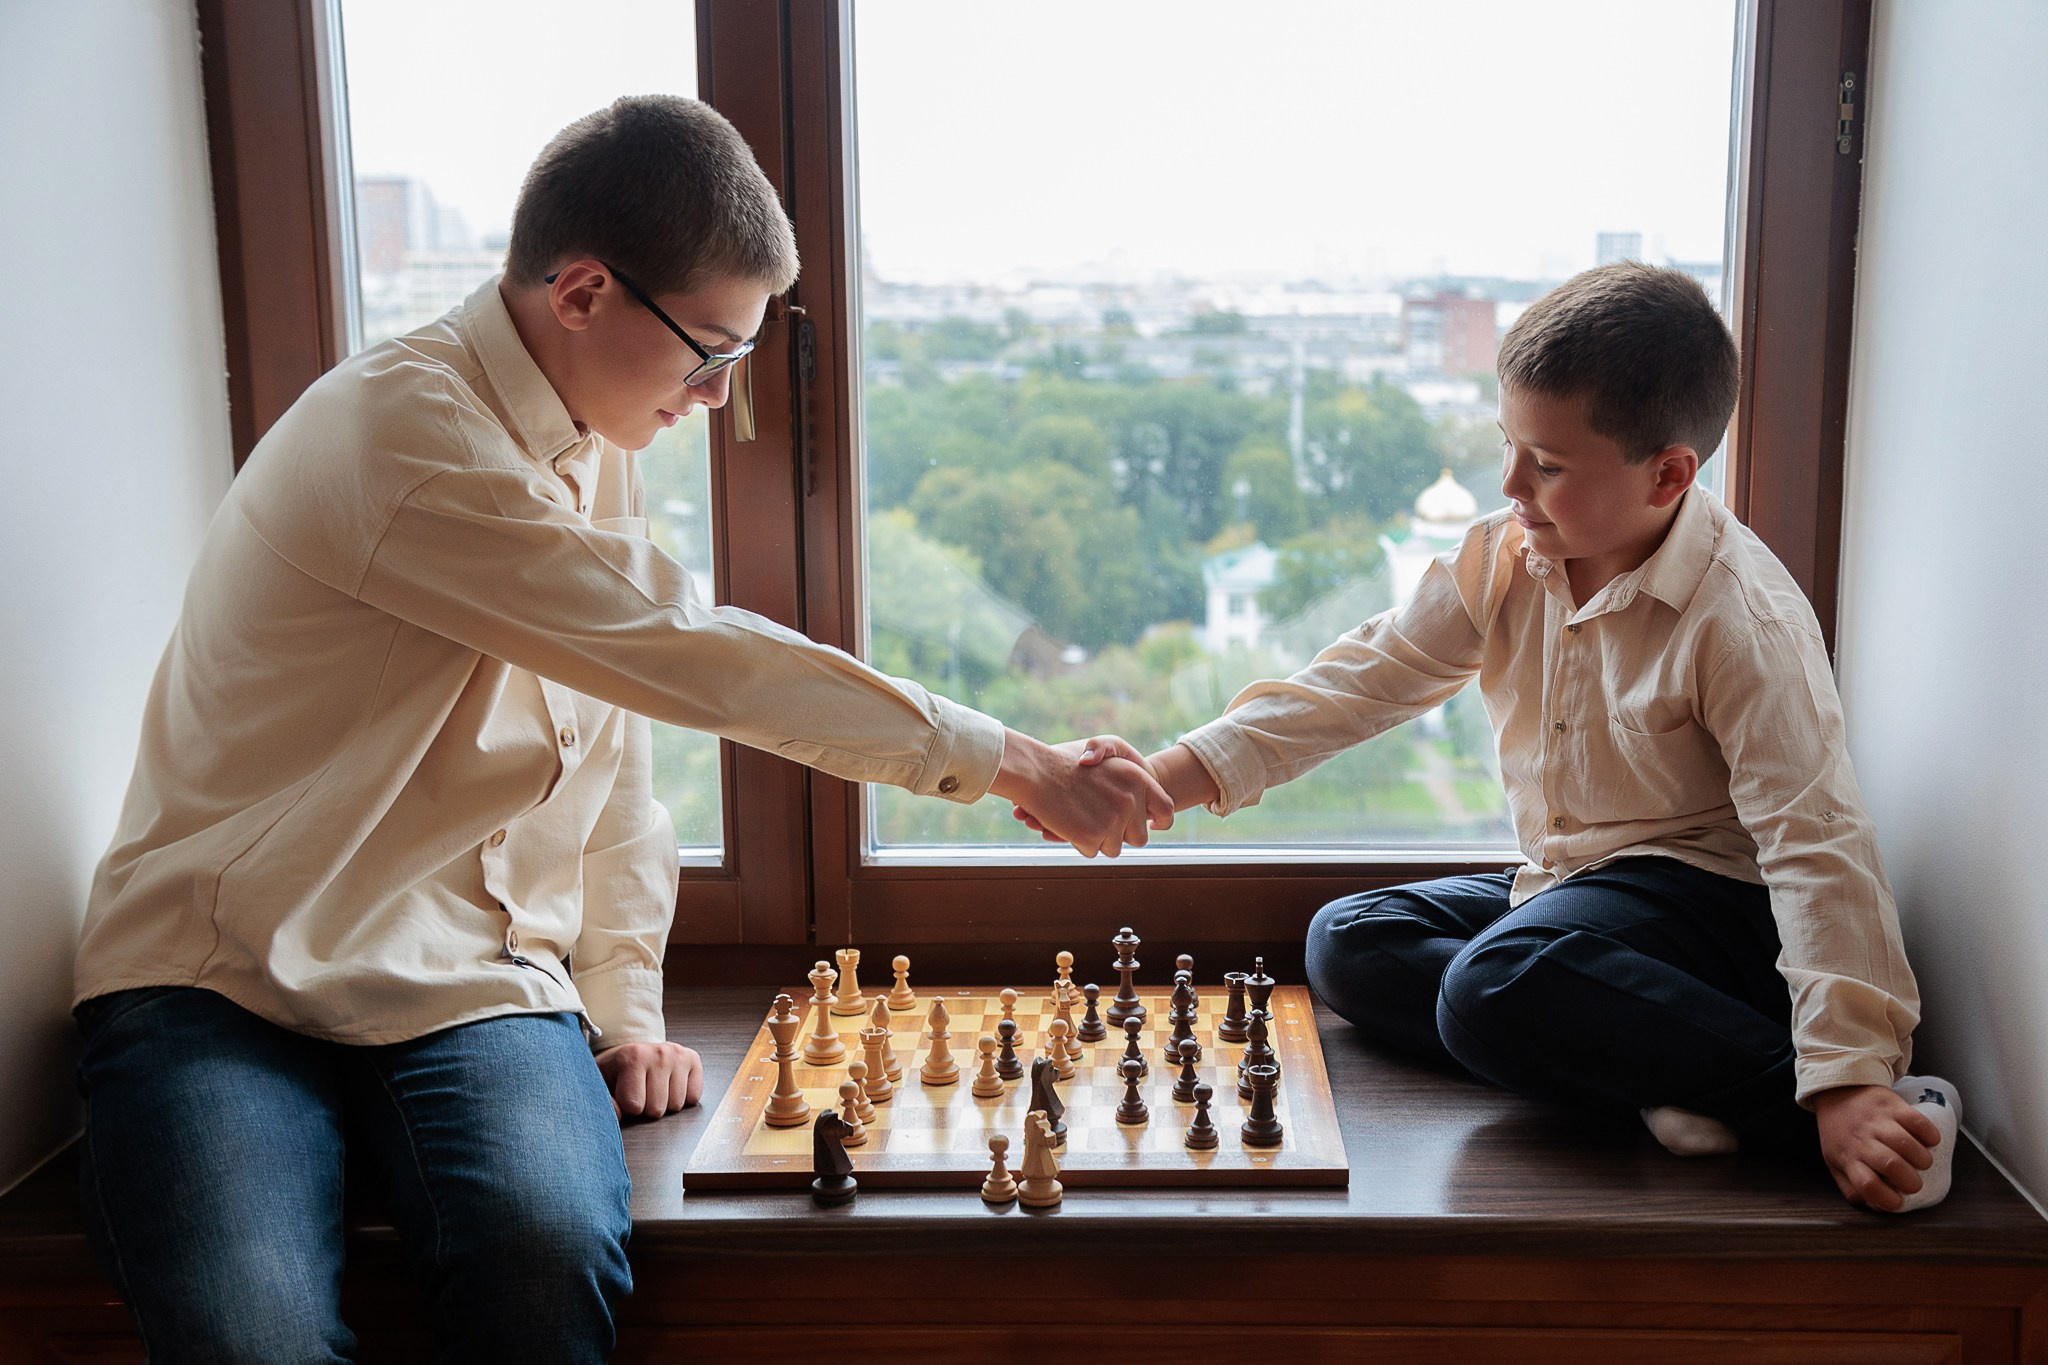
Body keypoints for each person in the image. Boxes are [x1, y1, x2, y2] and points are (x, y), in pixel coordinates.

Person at [71, 95, 1170, 1363]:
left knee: (544, 1264)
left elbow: (608, 747)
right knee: (245, 1334)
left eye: (738, 360)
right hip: (220, 982)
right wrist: (1015, 760)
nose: (714, 397)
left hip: (469, 984)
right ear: (583, 292)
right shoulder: (407, 437)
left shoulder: (592, 432)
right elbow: (685, 657)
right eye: (706, 351)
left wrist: (622, 1001)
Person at [1055, 262, 1958, 1215]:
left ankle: (1827, 1100)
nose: (1509, 482)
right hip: (1576, 889)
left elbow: (1817, 842)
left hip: (1713, 910)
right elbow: (1362, 680)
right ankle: (1648, 1066)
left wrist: (1849, 1073)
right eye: (1510, 446)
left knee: (1491, 988)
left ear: (1668, 473)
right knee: (1349, 941)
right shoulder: (1507, 555)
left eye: (1549, 465)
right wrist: (1164, 774)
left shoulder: (1743, 619)